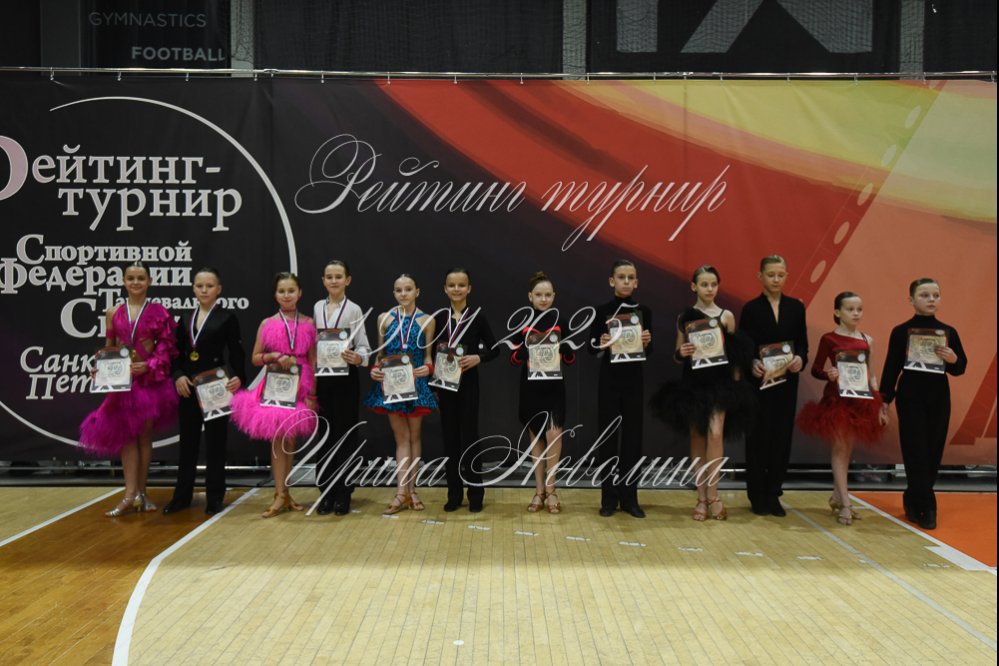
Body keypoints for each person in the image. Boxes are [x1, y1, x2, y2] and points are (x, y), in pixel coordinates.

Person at [652, 265, 753, 521]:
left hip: (720, 385)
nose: (709, 289)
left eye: (713, 284)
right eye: (704, 284)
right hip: (693, 384)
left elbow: (736, 355)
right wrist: (681, 352)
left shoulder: (726, 316)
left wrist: (736, 386)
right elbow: (677, 355)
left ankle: (713, 495)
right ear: (694, 286)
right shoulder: (685, 318)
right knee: (697, 437)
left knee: (716, 435)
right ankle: (700, 497)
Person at [80, 261, 178, 517]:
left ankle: (142, 493)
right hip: (122, 383)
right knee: (126, 438)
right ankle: (129, 494)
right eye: (131, 278)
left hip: (148, 384)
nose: (135, 282)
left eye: (140, 278)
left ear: (149, 281)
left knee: (144, 437)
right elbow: (109, 345)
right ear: (123, 281)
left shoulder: (159, 312)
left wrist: (150, 365)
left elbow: (166, 346)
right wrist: (100, 368)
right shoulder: (113, 312)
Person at [879, 278, 967, 530]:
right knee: (915, 449)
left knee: (933, 450)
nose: (931, 300)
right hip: (910, 396)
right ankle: (928, 506)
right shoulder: (901, 331)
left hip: (938, 396)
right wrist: (884, 400)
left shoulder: (948, 332)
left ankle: (912, 497)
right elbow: (891, 368)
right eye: (925, 295)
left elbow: (960, 368)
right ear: (911, 300)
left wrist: (953, 358)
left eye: (935, 295)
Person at [230, 272, 318, 518]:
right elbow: (255, 357)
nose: (286, 295)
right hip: (276, 384)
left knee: (290, 441)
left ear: (299, 293)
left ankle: (285, 493)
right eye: (282, 291)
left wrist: (312, 392)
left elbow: (313, 359)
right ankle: (279, 493)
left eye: (291, 291)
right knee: (278, 439)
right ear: (275, 294)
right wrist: (273, 356)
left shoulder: (309, 323)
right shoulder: (267, 323)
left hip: (300, 383)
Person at [797, 292, 886, 525]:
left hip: (859, 401)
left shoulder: (867, 340)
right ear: (837, 312)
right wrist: (828, 373)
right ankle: (846, 503)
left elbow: (872, 376)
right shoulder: (829, 339)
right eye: (850, 309)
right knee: (839, 449)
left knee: (846, 451)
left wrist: (879, 405)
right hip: (836, 401)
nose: (856, 313)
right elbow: (816, 369)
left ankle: (837, 497)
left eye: (859, 309)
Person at [163, 268, 246, 516]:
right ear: (193, 289)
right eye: (200, 286)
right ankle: (181, 496)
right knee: (187, 443)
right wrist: (178, 375)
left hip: (215, 388)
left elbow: (236, 352)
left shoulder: (227, 318)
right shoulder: (184, 319)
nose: (204, 290)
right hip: (188, 387)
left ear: (219, 289)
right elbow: (175, 354)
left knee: (216, 443)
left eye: (209, 286)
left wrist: (239, 377)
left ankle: (215, 497)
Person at [739, 255, 809, 517]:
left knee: (781, 438)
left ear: (787, 276)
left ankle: (773, 493)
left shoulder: (796, 308)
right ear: (760, 276)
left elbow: (802, 343)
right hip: (760, 383)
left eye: (780, 275)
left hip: (787, 383)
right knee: (758, 437)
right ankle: (757, 494)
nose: (776, 279)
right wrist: (752, 362)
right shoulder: (751, 309)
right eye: (771, 275)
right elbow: (745, 344)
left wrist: (800, 358)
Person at [364, 274, 437, 515]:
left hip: (415, 385)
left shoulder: (427, 320)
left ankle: (412, 491)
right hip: (392, 385)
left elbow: (428, 357)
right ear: (394, 293)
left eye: (408, 289)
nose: (403, 293)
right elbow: (380, 355)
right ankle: (400, 492)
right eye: (398, 290)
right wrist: (375, 369)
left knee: (414, 437)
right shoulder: (384, 318)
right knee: (401, 438)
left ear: (417, 291)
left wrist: (428, 368)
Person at [587, 259, 653, 518]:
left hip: (634, 382)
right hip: (609, 382)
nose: (626, 281)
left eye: (630, 278)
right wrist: (601, 342)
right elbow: (591, 347)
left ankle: (630, 498)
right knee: (608, 439)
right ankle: (608, 498)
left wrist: (646, 341)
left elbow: (650, 350)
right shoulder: (602, 311)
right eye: (621, 277)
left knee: (633, 440)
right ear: (611, 281)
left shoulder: (644, 311)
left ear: (636, 282)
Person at [432, 268, 498, 513]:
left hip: (468, 386)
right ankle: (454, 493)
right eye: (452, 285)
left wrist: (479, 358)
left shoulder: (477, 317)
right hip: (445, 387)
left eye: (461, 285)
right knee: (450, 440)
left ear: (469, 288)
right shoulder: (439, 318)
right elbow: (430, 353)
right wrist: (433, 384)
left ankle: (475, 493)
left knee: (470, 438)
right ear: (445, 288)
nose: (456, 289)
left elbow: (495, 349)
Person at [312, 260, 371, 516]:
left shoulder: (354, 309)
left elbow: (364, 346)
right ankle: (326, 492)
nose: (334, 280)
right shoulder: (317, 307)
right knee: (325, 435)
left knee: (345, 437)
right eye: (329, 276)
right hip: (322, 378)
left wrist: (358, 357)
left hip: (346, 378)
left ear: (348, 280)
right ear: (323, 280)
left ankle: (344, 493)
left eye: (338, 276)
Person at [513, 271, 575, 514]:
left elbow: (570, 359)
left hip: (554, 388)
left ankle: (552, 489)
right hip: (531, 388)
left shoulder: (561, 321)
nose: (543, 299)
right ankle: (539, 491)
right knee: (536, 439)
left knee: (554, 435)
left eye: (548, 294)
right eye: (539, 294)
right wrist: (524, 351)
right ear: (530, 296)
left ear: (554, 296)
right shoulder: (523, 323)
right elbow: (513, 358)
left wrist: (565, 349)